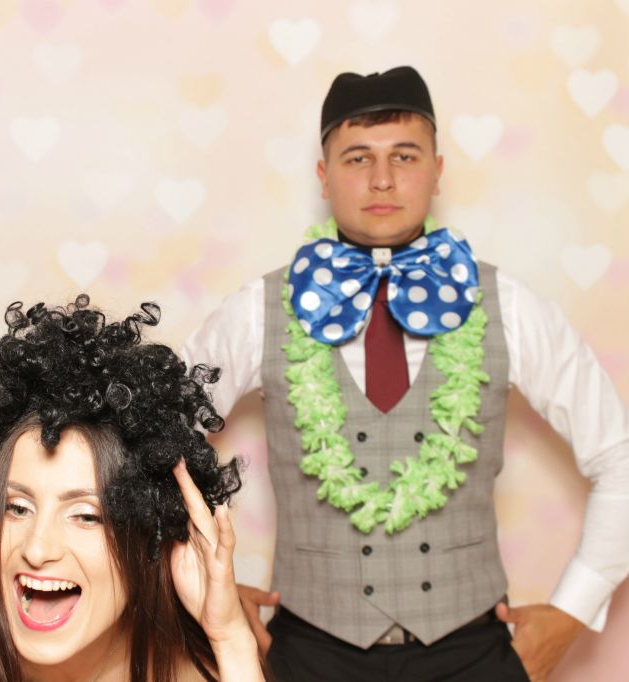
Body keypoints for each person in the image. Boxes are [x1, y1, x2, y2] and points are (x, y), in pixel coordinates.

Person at [183, 66, 629, 681]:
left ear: (438, 170)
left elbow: (619, 456)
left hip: (474, 653)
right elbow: (152, 444)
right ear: (323, 176)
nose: (383, 179)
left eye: (405, 155)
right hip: (307, 655)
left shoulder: (509, 305)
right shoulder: (258, 310)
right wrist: (207, 592)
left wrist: (575, 609)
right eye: (358, 157)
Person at [0, 296, 266, 681]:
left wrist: (230, 638)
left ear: (150, 532)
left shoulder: (203, 664)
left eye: (87, 516)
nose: (37, 550)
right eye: (17, 508)